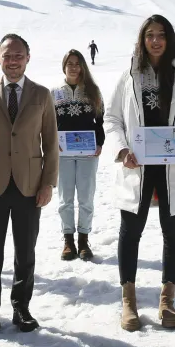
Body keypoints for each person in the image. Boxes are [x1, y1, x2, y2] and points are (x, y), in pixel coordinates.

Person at [103, 15, 175, 332]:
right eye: (149, 35)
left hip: (173, 167)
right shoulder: (128, 77)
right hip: (138, 167)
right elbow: (111, 119)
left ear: (170, 39)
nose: (156, 40)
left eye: (161, 34)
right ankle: (129, 301)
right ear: (142, 40)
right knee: (130, 231)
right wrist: (121, 149)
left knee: (173, 231)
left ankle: (167, 300)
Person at [0, 34, 59, 336]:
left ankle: (22, 308)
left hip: (29, 186)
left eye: (18, 55)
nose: (13, 61)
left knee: (25, 252)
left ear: (28, 58)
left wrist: (48, 184)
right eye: (7, 56)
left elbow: (51, 143)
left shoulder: (42, 94)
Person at [52, 49, 105, 261]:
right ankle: (68, 240)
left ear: (83, 66)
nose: (73, 67)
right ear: (64, 66)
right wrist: (52, 142)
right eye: (69, 63)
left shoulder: (93, 91)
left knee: (86, 196)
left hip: (87, 152)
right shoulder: (54, 93)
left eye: (77, 63)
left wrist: (99, 142)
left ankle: (83, 239)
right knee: (65, 197)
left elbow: (100, 121)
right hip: (63, 152)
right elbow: (48, 123)